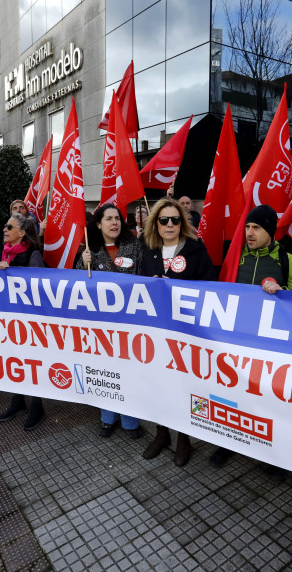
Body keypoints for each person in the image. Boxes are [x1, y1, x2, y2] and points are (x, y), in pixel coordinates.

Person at [209, 204, 292, 469]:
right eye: (248, 227)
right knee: (231, 394)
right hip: (234, 342)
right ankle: (227, 442)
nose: (249, 233)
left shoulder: (287, 260)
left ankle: (271, 455)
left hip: (269, 347)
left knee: (268, 399)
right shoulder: (236, 255)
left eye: (257, 228)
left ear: (270, 231)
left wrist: (282, 290)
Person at [139, 197, 216, 466]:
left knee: (184, 387)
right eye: (164, 220)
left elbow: (210, 288)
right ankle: (162, 433)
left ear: (182, 223)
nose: (170, 224)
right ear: (156, 224)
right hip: (155, 335)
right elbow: (134, 285)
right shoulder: (146, 250)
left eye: (175, 219)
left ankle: (184, 437)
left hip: (185, 335)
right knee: (158, 385)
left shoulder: (195, 250)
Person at [74, 204, 146, 438]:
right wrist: (80, 264)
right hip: (101, 326)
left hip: (130, 325)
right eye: (108, 219)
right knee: (106, 371)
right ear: (98, 224)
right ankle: (107, 417)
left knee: (130, 373)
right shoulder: (90, 250)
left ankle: (131, 421)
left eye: (117, 218)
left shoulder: (134, 246)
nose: (114, 223)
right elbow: (78, 288)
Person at [0, 213, 47, 431]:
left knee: (32, 363)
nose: (4, 229)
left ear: (22, 233)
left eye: (9, 226)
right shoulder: (1, 252)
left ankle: (37, 406)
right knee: (14, 360)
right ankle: (18, 401)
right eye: (5, 226)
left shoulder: (32, 255)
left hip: (28, 321)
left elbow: (38, 286)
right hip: (7, 318)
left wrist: (12, 272)